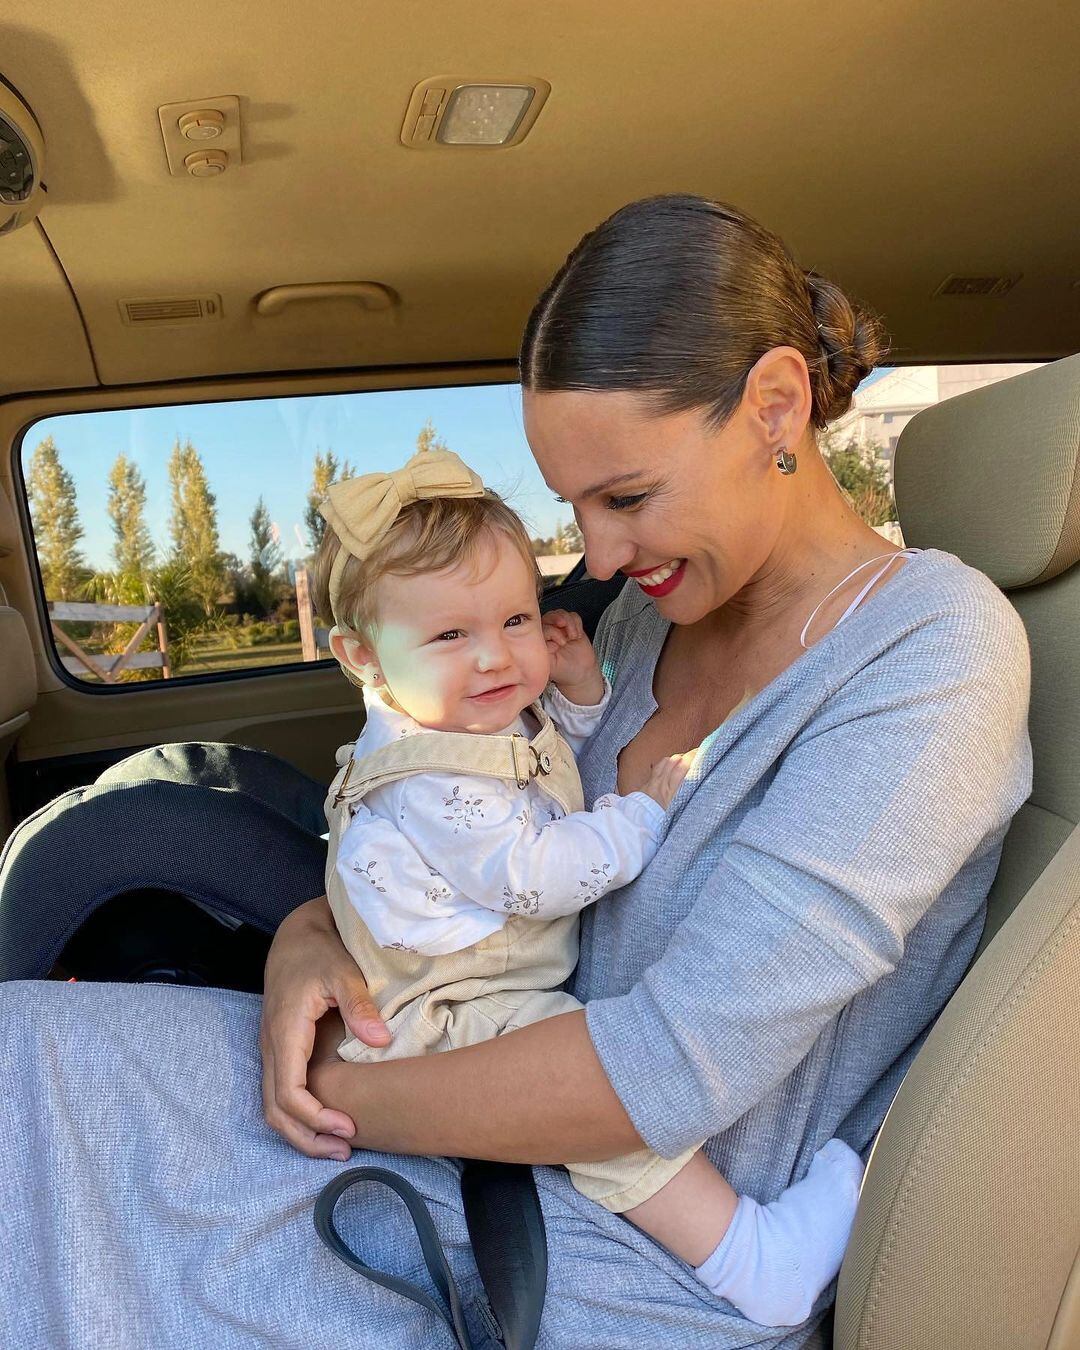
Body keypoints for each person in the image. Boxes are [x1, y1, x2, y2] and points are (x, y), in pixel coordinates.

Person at [0, 194, 1031, 1350]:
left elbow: (666, 1069)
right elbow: (480, 834)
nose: (591, 558)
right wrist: (313, 940)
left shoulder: (933, 654)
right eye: (576, 507)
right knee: (25, 1054)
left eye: (627, 497)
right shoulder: (649, 622)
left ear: (776, 407)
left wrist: (338, 1090)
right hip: (481, 1096)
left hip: (627, 1246)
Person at [311, 444, 864, 1326]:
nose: (496, 659)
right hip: (457, 1005)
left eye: (518, 620)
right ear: (363, 658)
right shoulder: (428, 780)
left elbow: (538, 773)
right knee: (591, 1086)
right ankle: (754, 1259)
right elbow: (535, 871)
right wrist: (639, 816)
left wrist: (575, 693)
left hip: (463, 976)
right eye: (452, 635)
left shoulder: (451, 716)